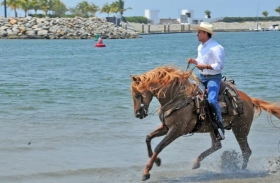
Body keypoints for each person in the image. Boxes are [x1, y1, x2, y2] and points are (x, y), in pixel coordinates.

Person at [188, 22, 225, 140]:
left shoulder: (217, 47)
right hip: (201, 77)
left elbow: (219, 66)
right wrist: (194, 61)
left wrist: (205, 67)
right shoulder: (200, 47)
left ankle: (220, 126)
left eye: (199, 32)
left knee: (212, 100)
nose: (197, 35)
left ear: (205, 33)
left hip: (213, 78)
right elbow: (200, 62)